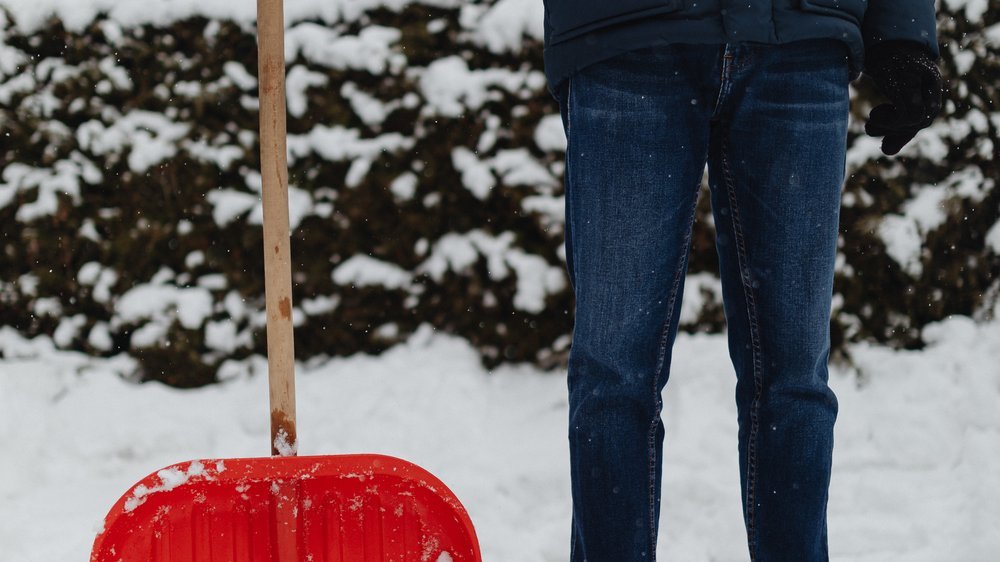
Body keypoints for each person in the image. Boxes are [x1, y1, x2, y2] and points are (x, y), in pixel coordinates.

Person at [541, 1, 944, 560]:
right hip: (628, 31)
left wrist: (904, 33)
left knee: (793, 379)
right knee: (614, 377)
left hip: (801, 35)